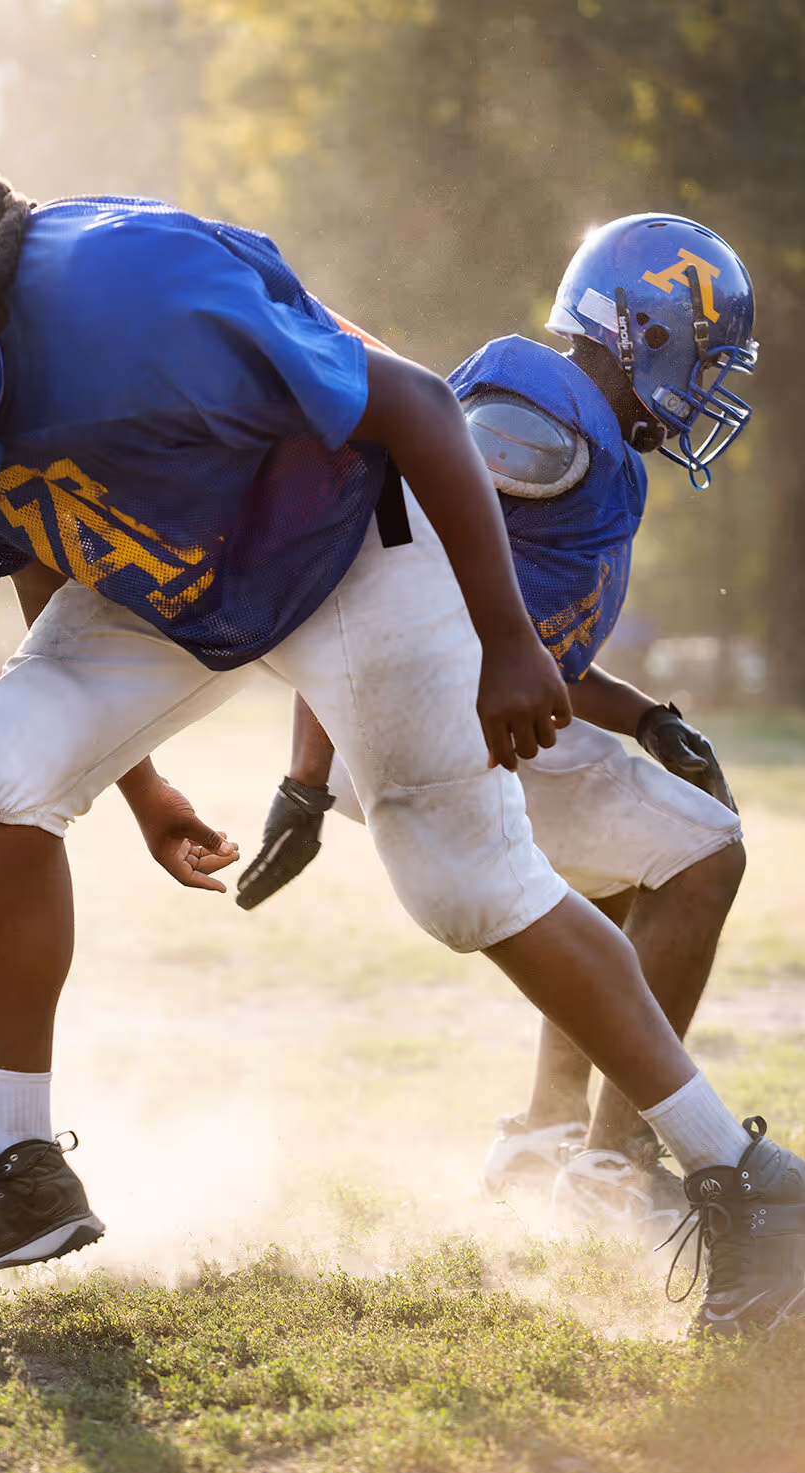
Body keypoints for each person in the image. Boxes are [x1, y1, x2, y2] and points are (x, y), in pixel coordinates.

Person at [0, 177, 799, 1337]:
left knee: (468, 885)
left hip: (349, 546)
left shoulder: (137, 291)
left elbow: (418, 406)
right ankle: (20, 1169)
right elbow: (38, 530)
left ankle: (746, 1185)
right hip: (193, 567)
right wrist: (137, 780)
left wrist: (503, 637)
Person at [234, 218, 753, 1248]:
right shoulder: (532, 419)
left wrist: (649, 720)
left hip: (465, 715)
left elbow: (525, 640)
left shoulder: (578, 438)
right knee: (705, 857)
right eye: (702, 356)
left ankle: (546, 1139)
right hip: (431, 726)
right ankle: (613, 1162)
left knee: (619, 874)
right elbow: (372, 571)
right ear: (644, 333)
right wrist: (307, 776)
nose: (707, 386)